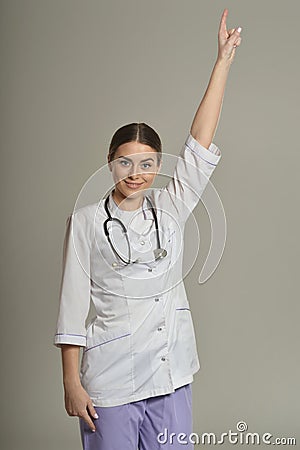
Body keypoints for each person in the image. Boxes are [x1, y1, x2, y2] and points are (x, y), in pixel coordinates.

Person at [53, 9, 242, 450]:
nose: (135, 173)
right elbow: (71, 311)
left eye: (147, 163)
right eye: (125, 162)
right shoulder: (84, 224)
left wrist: (222, 64)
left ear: (158, 166)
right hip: (110, 382)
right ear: (109, 163)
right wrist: (70, 384)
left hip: (171, 375)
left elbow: (198, 145)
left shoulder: (171, 208)